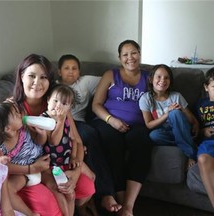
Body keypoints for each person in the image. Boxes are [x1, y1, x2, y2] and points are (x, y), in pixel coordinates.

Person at [12, 53, 91, 215]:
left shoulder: (58, 104)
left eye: (43, 77)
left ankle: (80, 208)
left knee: (87, 187)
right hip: (31, 169)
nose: (37, 83)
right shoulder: (13, 110)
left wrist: (76, 172)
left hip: (60, 162)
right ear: (21, 77)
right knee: (54, 203)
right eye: (31, 76)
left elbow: (76, 140)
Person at [91, 39, 153, 216]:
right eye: (125, 54)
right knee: (112, 141)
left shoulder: (149, 77)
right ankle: (120, 201)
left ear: (140, 54)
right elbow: (96, 104)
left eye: (134, 53)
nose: (130, 58)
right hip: (107, 121)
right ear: (119, 58)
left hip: (139, 125)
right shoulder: (111, 75)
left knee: (142, 141)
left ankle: (128, 206)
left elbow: (160, 99)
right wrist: (111, 120)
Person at [57, 54, 122, 213]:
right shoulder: (53, 86)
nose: (71, 72)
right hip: (60, 124)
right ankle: (101, 195)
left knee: (91, 135)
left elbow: (112, 80)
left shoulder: (85, 81)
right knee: (88, 136)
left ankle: (105, 193)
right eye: (66, 68)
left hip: (79, 122)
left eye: (74, 68)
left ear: (80, 71)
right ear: (59, 71)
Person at [41, 84, 95, 216]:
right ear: (48, 100)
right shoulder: (45, 119)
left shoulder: (65, 117)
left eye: (64, 103)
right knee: (68, 193)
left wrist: (75, 158)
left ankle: (83, 206)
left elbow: (74, 140)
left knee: (92, 176)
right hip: (52, 165)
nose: (58, 106)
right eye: (55, 101)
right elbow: (54, 141)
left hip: (66, 160)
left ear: (69, 107)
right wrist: (59, 121)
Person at [0, 100, 44, 216]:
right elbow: (4, 166)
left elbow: (39, 143)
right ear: (7, 128)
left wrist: (42, 134)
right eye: (16, 115)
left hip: (40, 161)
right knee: (8, 190)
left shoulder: (23, 129)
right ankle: (30, 214)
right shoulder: (1, 146)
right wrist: (30, 168)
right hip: (24, 172)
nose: (20, 115)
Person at [139, 64, 199, 169]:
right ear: (151, 79)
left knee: (175, 113)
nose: (163, 80)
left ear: (170, 81)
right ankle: (184, 142)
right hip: (166, 133)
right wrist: (167, 114)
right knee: (154, 135)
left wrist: (182, 112)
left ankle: (189, 154)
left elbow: (191, 119)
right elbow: (149, 125)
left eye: (166, 78)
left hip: (181, 128)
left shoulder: (176, 96)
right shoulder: (145, 99)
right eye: (159, 76)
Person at [195, 67, 214, 208]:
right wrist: (203, 131)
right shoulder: (200, 105)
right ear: (206, 87)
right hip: (208, 143)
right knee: (202, 159)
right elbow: (193, 129)